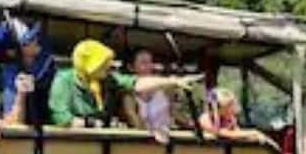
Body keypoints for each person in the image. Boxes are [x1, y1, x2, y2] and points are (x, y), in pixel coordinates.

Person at [49, 39, 201, 129]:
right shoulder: (64, 80)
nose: (109, 66)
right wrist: (95, 124)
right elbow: (62, 119)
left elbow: (135, 83)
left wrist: (174, 81)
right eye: (103, 63)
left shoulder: (108, 78)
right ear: (88, 65)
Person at [0, 17, 56, 126]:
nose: (36, 42)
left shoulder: (46, 62)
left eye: (36, 38)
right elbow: (11, 117)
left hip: (44, 123)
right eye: (29, 42)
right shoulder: (10, 72)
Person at [121, 49, 173, 143]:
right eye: (143, 63)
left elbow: (174, 112)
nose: (149, 66)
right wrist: (151, 134)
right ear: (132, 67)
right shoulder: (129, 95)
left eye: (150, 62)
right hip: (144, 142)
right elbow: (134, 120)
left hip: (168, 138)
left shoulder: (164, 88)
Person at [199, 87, 269, 144]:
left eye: (231, 105)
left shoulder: (230, 119)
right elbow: (223, 133)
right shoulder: (205, 119)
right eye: (228, 107)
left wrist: (254, 137)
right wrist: (254, 132)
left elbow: (237, 132)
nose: (232, 110)